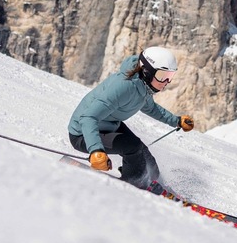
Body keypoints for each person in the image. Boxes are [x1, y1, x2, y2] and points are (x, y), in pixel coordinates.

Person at [67, 46, 195, 189]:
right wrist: (96, 150)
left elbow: (151, 108)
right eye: (162, 76)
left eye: (169, 77)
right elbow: (88, 118)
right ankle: (133, 186)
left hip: (109, 124)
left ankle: (150, 180)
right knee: (132, 148)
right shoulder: (124, 87)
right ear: (147, 71)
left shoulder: (143, 87)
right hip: (83, 134)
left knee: (147, 161)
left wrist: (176, 121)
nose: (166, 82)